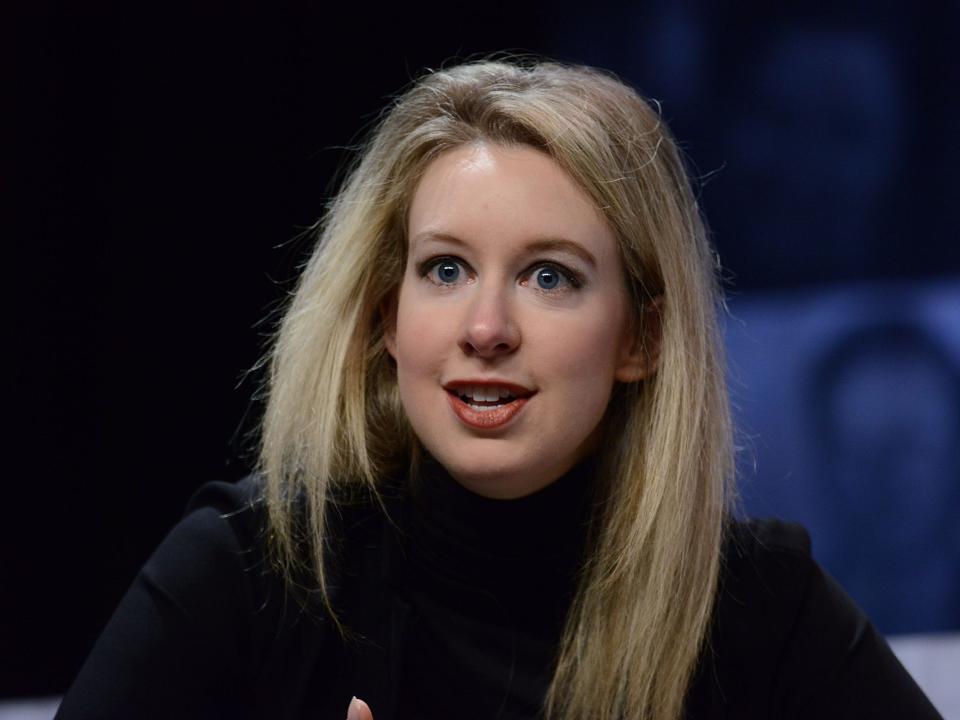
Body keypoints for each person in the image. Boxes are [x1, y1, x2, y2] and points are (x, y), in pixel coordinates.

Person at [56, 58, 941, 720]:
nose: (485, 328)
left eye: (549, 277)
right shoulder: (246, 576)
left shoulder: (756, 610)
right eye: (443, 269)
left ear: (641, 337)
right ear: (383, 320)